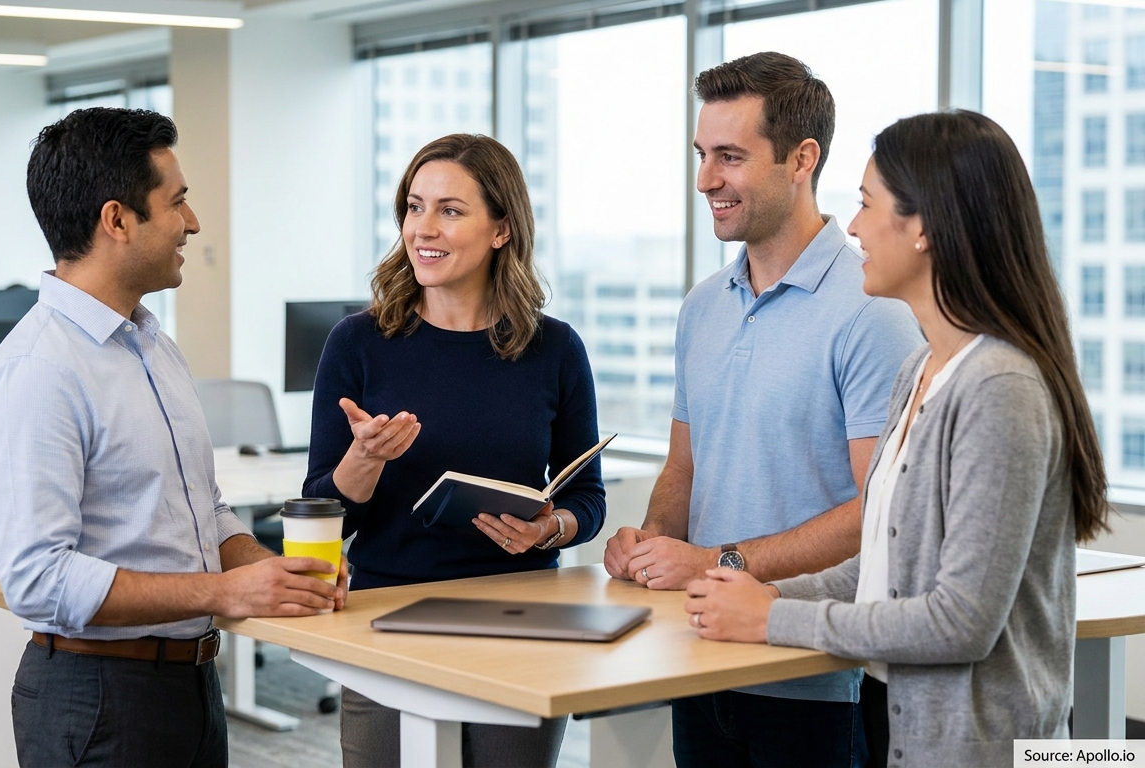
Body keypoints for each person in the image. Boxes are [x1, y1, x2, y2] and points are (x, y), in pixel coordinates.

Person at [681, 110, 1111, 768]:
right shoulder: (922, 370)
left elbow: (959, 621)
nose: (851, 226)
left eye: (865, 203)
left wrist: (770, 619)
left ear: (924, 229)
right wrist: (750, 590)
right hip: (917, 735)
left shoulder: (1000, 387)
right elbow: (882, 570)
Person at [0, 107, 346, 768]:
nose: (193, 224)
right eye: (177, 203)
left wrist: (263, 569)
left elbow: (204, 510)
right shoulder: (39, 370)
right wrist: (223, 594)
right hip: (98, 698)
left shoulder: (151, 345)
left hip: (189, 684)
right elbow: (38, 579)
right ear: (117, 220)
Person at [601, 52, 923, 767]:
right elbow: (686, 465)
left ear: (801, 158)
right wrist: (651, 544)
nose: (704, 180)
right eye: (700, 155)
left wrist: (714, 562)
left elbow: (881, 511)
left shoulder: (874, 310)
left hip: (811, 673)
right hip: (700, 651)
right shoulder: (701, 307)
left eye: (729, 157)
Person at [304, 133, 606, 768]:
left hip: (519, 617)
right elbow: (323, 513)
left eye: (449, 209)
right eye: (415, 207)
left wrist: (550, 528)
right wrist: (365, 459)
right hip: (386, 616)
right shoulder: (357, 343)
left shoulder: (555, 349)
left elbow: (588, 498)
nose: (423, 228)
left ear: (501, 229)